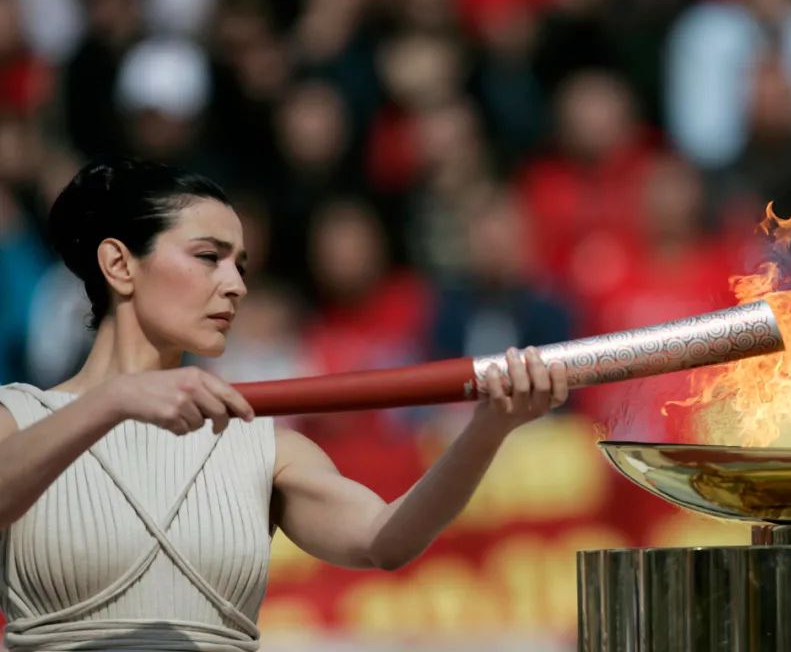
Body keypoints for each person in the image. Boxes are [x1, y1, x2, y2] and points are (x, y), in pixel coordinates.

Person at [0, 158, 568, 651]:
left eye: (240, 265)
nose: (236, 285)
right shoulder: (17, 416)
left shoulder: (264, 444)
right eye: (208, 257)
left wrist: (490, 427)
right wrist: (116, 400)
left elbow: (384, 539)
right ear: (120, 265)